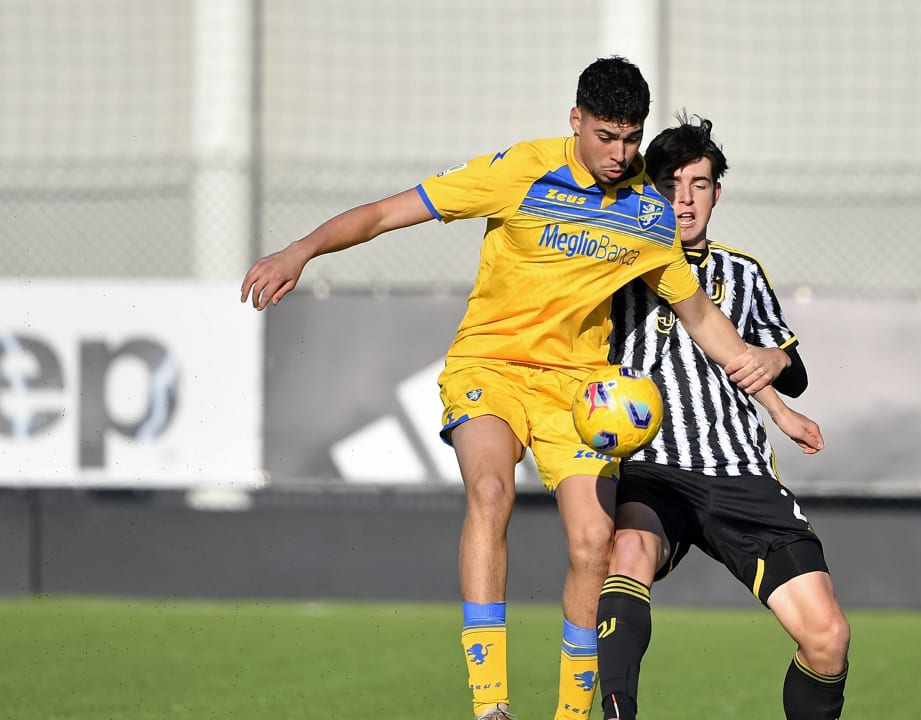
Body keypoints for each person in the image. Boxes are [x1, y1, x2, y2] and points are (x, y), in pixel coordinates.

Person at [240, 59, 823, 720]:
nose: (621, 154)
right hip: (489, 368)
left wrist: (771, 394)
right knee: (490, 492)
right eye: (607, 136)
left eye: (632, 139)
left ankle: (572, 714)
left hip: (576, 391)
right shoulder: (518, 172)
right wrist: (299, 250)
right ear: (576, 121)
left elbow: (699, 317)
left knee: (592, 542)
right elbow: (383, 214)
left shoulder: (646, 213)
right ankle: (491, 705)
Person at [596, 114, 850, 720]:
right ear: (646, 189)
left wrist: (773, 358)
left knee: (828, 639)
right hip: (650, 470)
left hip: (740, 475)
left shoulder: (743, 274)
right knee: (628, 553)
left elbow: (792, 367)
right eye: (669, 184)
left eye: (699, 184)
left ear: (716, 193)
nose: (684, 200)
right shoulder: (612, 270)